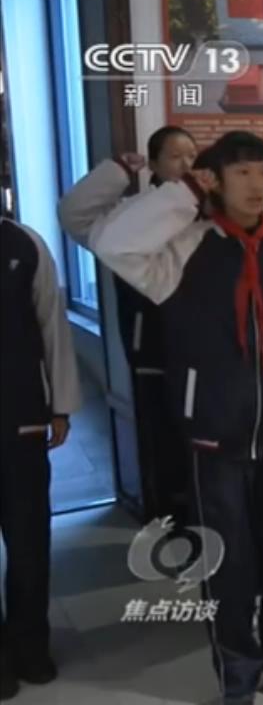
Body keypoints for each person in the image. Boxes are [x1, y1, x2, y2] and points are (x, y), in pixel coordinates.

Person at [90, 131, 263, 705]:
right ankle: (238, 675)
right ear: (216, 181)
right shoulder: (182, 251)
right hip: (215, 438)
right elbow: (111, 243)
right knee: (228, 566)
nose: (257, 185)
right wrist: (182, 195)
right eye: (242, 172)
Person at [56, 126, 197, 521]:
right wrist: (116, 171)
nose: (186, 164)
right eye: (175, 156)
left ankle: (203, 518)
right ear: (153, 164)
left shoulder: (202, 211)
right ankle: (167, 518)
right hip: (151, 346)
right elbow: (73, 214)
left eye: (192, 155)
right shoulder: (130, 212)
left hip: (204, 350)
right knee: (161, 438)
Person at [0, 217, 81, 702]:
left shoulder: (23, 243)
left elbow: (53, 324)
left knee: (29, 542)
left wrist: (60, 406)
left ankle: (30, 646)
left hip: (22, 419)